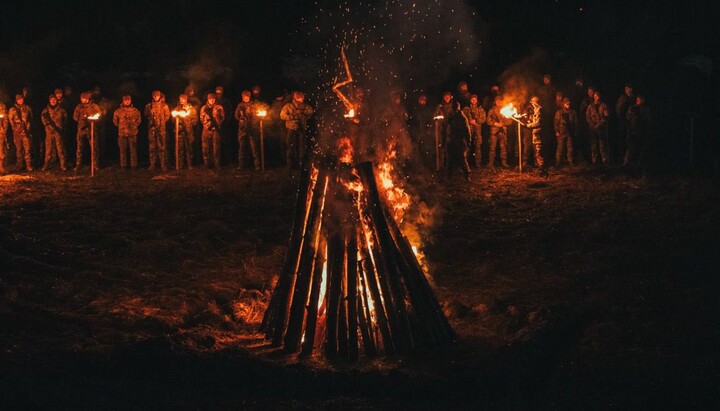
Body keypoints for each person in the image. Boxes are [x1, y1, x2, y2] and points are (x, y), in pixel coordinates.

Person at [234, 90, 268, 171]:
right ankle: (241, 165)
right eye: (243, 96)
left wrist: (255, 119)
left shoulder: (254, 105)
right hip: (242, 129)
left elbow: (258, 114)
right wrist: (241, 119)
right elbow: (236, 115)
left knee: (254, 148)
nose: (244, 98)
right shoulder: (240, 105)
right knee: (242, 148)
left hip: (252, 129)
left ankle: (257, 166)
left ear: (249, 97)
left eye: (246, 96)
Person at [280, 90, 314, 169]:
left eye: (302, 98)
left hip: (302, 128)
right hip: (291, 129)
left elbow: (310, 111)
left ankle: (301, 164)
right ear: (296, 98)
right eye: (300, 98)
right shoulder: (288, 106)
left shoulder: (305, 106)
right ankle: (290, 165)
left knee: (301, 147)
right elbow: (282, 115)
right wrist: (291, 117)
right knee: (290, 147)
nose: (302, 99)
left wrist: (302, 113)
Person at [73, 91, 102, 171]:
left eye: (83, 98)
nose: (81, 99)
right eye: (81, 98)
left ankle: (95, 165)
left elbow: (99, 115)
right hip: (81, 130)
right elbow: (75, 117)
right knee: (79, 148)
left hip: (91, 129)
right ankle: (78, 164)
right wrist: (82, 119)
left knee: (94, 148)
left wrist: (91, 119)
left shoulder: (94, 106)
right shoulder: (79, 107)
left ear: (87, 98)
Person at [112, 95, 142, 170]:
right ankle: (123, 165)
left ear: (131, 101)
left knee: (133, 150)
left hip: (132, 133)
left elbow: (139, 120)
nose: (127, 101)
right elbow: (115, 121)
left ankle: (133, 165)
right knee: (122, 150)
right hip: (122, 133)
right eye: (125, 100)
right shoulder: (118, 111)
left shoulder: (135, 111)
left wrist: (134, 126)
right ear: (123, 101)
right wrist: (121, 126)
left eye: (128, 100)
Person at [40, 94, 68, 171]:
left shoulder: (62, 110)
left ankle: (63, 165)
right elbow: (43, 121)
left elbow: (65, 120)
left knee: (60, 149)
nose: (53, 101)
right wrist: (49, 128)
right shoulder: (45, 111)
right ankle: (46, 164)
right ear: (49, 100)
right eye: (51, 99)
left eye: (54, 99)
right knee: (48, 149)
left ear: (57, 100)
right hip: (49, 132)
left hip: (58, 132)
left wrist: (61, 128)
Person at [144, 90, 171, 171]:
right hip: (152, 129)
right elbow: (145, 114)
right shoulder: (149, 106)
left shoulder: (164, 106)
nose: (156, 97)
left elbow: (167, 116)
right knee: (152, 147)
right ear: (152, 96)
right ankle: (152, 165)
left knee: (162, 147)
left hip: (161, 129)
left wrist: (161, 123)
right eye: (154, 96)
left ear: (160, 96)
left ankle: (163, 165)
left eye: (157, 95)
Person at [445, 101, 472, 182]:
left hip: (459, 141)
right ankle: (449, 177)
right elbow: (446, 128)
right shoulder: (450, 117)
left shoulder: (462, 117)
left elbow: (467, 130)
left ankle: (467, 176)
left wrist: (468, 140)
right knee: (450, 160)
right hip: (451, 141)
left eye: (455, 107)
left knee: (462, 159)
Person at [8, 94, 34, 171]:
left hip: (26, 132)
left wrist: (28, 126)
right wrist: (15, 129)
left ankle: (28, 165)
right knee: (19, 149)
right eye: (19, 99)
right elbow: (10, 120)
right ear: (16, 100)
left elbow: (31, 118)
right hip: (17, 132)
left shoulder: (27, 108)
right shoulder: (12, 110)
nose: (21, 100)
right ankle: (20, 165)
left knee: (27, 149)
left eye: (21, 99)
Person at [623, 95, 649, 172]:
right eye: (637, 99)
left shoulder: (645, 109)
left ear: (643, 101)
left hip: (641, 132)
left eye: (640, 99)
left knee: (639, 149)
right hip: (632, 131)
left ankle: (638, 164)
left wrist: (640, 116)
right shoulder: (632, 108)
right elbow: (627, 118)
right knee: (630, 148)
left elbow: (647, 120)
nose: (638, 101)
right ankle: (626, 163)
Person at [485, 95, 512, 170]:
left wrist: (503, 124)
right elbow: (488, 121)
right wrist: (495, 124)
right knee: (492, 148)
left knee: (503, 147)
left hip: (502, 131)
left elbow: (510, 121)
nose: (499, 102)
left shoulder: (506, 110)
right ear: (495, 102)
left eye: (500, 101)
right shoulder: (492, 110)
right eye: (497, 101)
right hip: (494, 131)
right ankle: (490, 163)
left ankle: (504, 162)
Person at [199, 92, 225, 168]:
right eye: (210, 99)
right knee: (206, 147)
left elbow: (222, 117)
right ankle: (207, 164)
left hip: (216, 130)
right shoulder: (204, 108)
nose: (212, 100)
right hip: (206, 130)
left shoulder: (219, 107)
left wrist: (218, 124)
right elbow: (201, 118)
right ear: (208, 99)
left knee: (216, 147)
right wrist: (207, 125)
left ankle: (216, 164)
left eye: (213, 99)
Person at [409, 93, 434, 170]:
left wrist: (429, 129)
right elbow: (411, 121)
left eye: (424, 100)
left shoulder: (427, 110)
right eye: (421, 100)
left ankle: (427, 164)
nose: (422, 101)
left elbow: (430, 121)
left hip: (425, 133)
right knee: (417, 150)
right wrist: (413, 132)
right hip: (417, 133)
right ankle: (417, 165)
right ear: (419, 100)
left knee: (425, 149)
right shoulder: (415, 110)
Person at [173, 94, 198, 170]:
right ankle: (180, 164)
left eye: (183, 99)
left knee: (189, 148)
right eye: (180, 99)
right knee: (179, 149)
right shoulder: (177, 109)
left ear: (186, 100)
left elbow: (195, 120)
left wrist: (189, 123)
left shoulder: (191, 109)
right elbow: (173, 118)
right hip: (180, 131)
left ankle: (189, 164)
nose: (181, 100)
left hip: (188, 131)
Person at [586, 90, 610, 165]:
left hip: (601, 128)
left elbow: (606, 116)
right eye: (595, 96)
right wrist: (591, 125)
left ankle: (604, 160)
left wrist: (599, 124)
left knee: (602, 145)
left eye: (598, 96)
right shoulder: (590, 106)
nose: (597, 97)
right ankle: (595, 160)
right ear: (594, 97)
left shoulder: (603, 105)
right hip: (593, 128)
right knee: (594, 145)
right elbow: (587, 116)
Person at [462, 93, 486, 168]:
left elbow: (483, 119)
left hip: (477, 130)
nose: (473, 101)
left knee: (478, 146)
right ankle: (466, 164)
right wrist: (469, 121)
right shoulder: (466, 109)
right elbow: (462, 117)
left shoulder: (480, 109)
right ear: (470, 100)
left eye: (475, 99)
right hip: (468, 130)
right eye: (472, 99)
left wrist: (476, 120)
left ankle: (478, 164)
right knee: (467, 146)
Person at [554, 97, 578, 168]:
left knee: (570, 147)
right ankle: (558, 161)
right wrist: (557, 131)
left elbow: (576, 122)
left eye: (569, 103)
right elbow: (555, 123)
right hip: (561, 131)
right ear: (563, 104)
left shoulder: (573, 112)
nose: (568, 105)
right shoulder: (559, 112)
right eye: (567, 104)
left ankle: (570, 161)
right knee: (560, 147)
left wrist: (576, 130)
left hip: (570, 132)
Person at [525, 95, 546, 176]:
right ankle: (540, 168)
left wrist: (528, 126)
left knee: (539, 152)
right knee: (537, 152)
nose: (532, 104)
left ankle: (542, 171)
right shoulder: (536, 110)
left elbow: (537, 124)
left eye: (533, 102)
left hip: (538, 135)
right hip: (536, 135)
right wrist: (530, 121)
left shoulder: (539, 111)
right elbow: (535, 121)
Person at [615, 83, 635, 164]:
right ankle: (621, 157)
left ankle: (630, 157)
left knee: (630, 139)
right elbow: (618, 109)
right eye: (626, 89)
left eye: (628, 88)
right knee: (622, 139)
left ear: (631, 89)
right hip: (623, 122)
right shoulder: (622, 98)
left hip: (632, 122)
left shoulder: (634, 98)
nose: (627, 90)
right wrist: (622, 118)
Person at [0, 102, 8, 174]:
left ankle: (1, 167)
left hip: (0, 132)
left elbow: (5, 119)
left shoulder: (2, 106)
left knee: (1, 150)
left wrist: (4, 130)